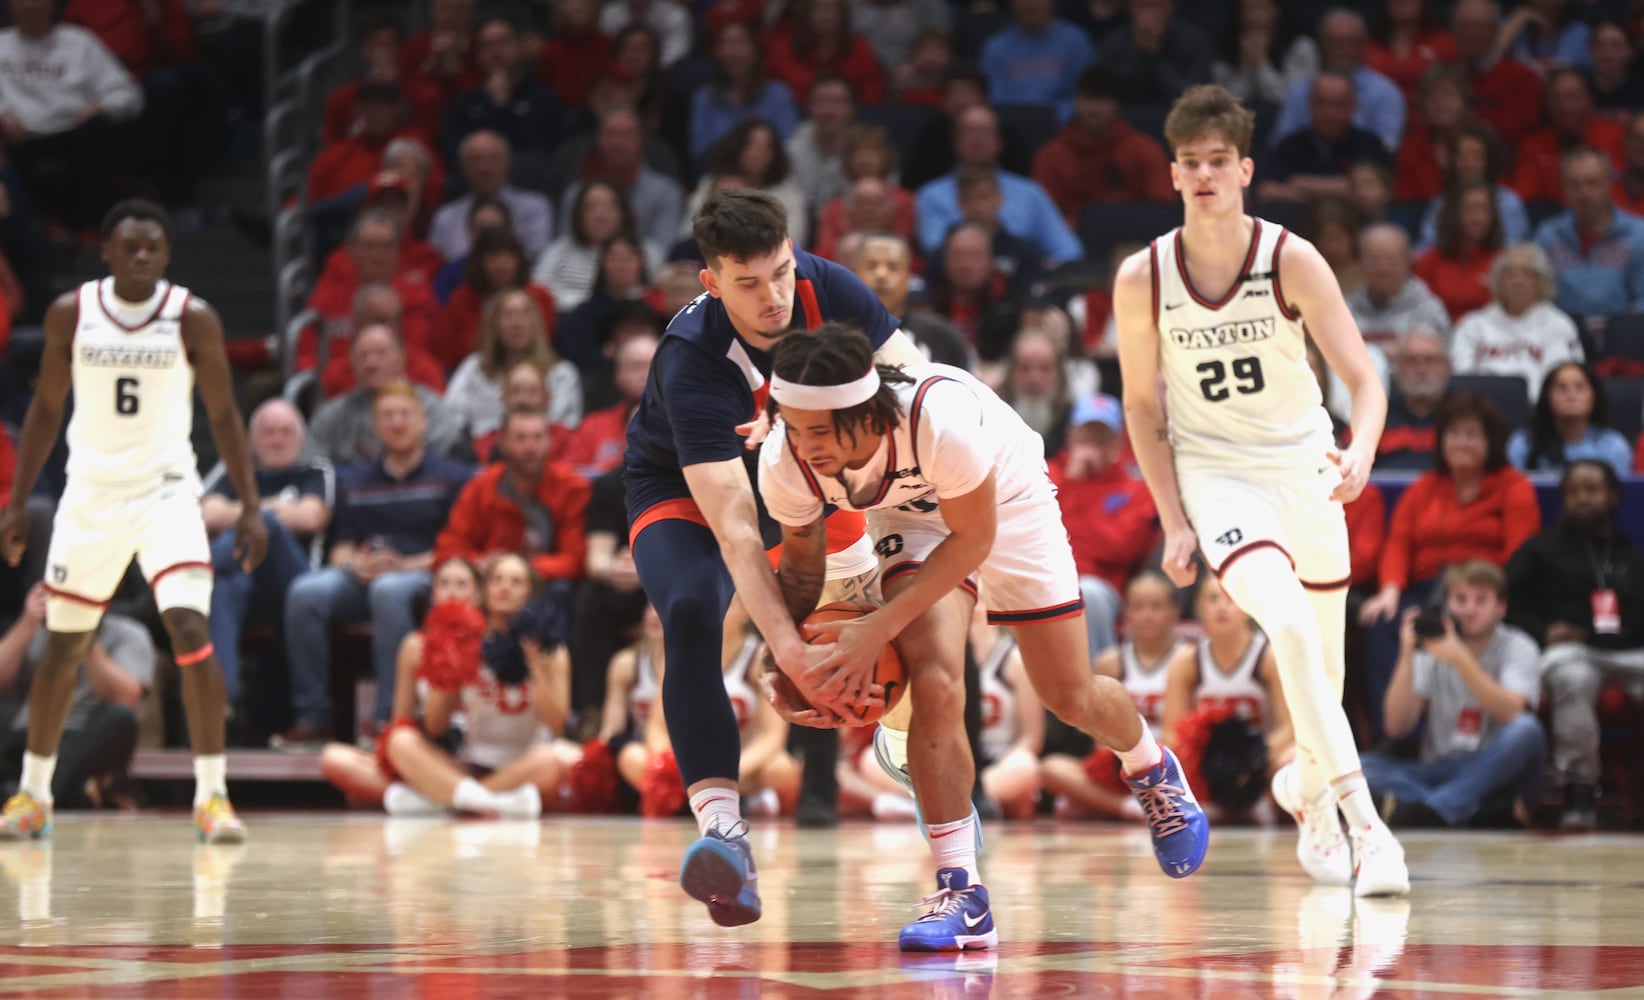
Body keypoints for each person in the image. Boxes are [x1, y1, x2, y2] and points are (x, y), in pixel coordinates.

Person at [759, 323, 1209, 951]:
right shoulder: (786, 458)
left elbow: (972, 540)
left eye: (819, 431)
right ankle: (962, 892)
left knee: (1069, 695)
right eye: (793, 426)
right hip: (906, 521)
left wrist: (874, 629)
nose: (804, 446)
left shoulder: (937, 420)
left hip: (1007, 497)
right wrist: (786, 653)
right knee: (939, 679)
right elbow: (803, 567)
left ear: (865, 413)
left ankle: (1150, 766)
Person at [1111, 84, 1409, 896]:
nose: (1204, 176)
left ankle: (1307, 793)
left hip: (1307, 469)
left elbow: (1363, 377)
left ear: (1244, 170)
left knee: (1326, 677)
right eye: (1190, 164)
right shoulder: (1144, 277)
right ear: (1173, 175)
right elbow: (1141, 406)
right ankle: (1365, 825)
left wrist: (1363, 448)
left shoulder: (1290, 257)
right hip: (1220, 480)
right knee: (1289, 630)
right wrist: (1174, 520)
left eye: (1218, 162)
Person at [623, 188, 923, 925]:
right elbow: (732, 529)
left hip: (816, 468)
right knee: (691, 612)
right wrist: (784, 647)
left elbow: (915, 386)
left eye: (781, 273)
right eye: (748, 283)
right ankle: (725, 836)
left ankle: (905, 745)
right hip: (690, 485)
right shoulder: (691, 360)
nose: (774, 296)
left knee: (891, 607)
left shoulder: (832, 288)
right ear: (712, 282)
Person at [0, 199, 267, 843]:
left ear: (168, 256)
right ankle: (33, 794)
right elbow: (45, 410)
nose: (142, 255)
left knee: (188, 625)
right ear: (107, 252)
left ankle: (212, 795)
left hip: (166, 492)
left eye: (153, 247)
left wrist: (251, 505)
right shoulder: (73, 313)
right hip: (89, 494)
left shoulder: (191, 319)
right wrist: (16, 501)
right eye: (130, 246)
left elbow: (226, 416)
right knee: (65, 644)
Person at [1508, 460, 1644, 829]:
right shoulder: (1540, 549)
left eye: (1592, 490)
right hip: (1574, 650)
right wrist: (1543, 632)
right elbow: (1506, 604)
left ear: (1613, 496)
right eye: (1574, 492)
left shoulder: (1630, 551)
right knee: (1571, 676)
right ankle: (1579, 787)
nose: (1582, 499)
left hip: (1631, 648)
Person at [1369, 559, 1546, 829]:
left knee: (1527, 730)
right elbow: (1396, 727)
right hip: (1439, 769)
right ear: (1447, 605)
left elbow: (1512, 712)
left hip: (1495, 771)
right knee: (1360, 768)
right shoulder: (1432, 646)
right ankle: (1466, 810)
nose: (1469, 610)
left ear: (1501, 607)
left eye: (1480, 600)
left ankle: (1435, 810)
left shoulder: (1519, 646)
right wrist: (1406, 655)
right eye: (1461, 600)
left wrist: (1461, 659)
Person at [202, 399, 334, 716]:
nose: (277, 440)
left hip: (295, 584)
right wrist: (273, 507)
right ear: (251, 440)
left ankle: (200, 569)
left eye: (286, 432)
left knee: (268, 525)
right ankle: (220, 703)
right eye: (268, 432)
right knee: (223, 586)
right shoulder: (234, 470)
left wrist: (251, 512)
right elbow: (207, 514)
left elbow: (311, 517)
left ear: (300, 439)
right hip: (244, 582)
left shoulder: (315, 470)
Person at [1041, 571, 1187, 820]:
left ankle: (1116, 805)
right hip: (1122, 763)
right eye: (1138, 607)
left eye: (1156, 606)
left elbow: (1182, 732)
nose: (1147, 615)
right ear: (1126, 613)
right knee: (1051, 769)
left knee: (1070, 806)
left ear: (1175, 611)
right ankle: (1131, 808)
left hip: (1174, 765)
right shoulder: (1110, 662)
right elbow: (1102, 737)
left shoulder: (1186, 658)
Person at [1161, 573, 1295, 818]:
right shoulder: (1186, 662)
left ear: (1247, 607)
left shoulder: (1269, 657)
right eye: (1213, 599)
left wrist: (1252, 761)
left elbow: (1290, 729)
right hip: (1208, 768)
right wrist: (1202, 762)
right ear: (1200, 608)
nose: (1222, 607)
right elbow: (1173, 733)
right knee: (1162, 765)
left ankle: (1263, 803)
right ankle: (1217, 806)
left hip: (1263, 763)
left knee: (1294, 760)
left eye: (1231, 599)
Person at [1450, 243, 1583, 404]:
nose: (1518, 281)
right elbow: (1461, 378)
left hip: (1538, 414)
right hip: (1481, 412)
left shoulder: (1559, 325)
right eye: (1510, 274)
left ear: (1541, 282)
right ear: (1497, 281)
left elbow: (1560, 381)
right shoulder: (1472, 325)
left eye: (1527, 274)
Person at [1508, 363, 1630, 476]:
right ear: (1546, 398)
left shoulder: (1614, 446)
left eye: (1580, 387)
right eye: (1561, 388)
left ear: (1594, 397)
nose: (1571, 396)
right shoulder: (1523, 444)